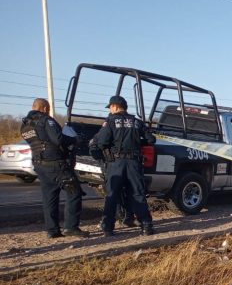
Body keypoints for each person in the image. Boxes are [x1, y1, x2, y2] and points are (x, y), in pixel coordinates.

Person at [19, 98, 88, 239]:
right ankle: (71, 227)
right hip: (56, 164)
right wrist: (74, 140)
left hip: (39, 165)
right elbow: (58, 139)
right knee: (74, 192)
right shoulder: (46, 120)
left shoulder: (25, 125)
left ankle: (52, 230)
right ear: (44, 108)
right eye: (48, 109)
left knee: (49, 197)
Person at [94, 95, 156, 236]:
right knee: (138, 194)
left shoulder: (110, 121)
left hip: (116, 163)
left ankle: (108, 228)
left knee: (112, 195)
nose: (110, 109)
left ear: (115, 106)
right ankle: (146, 226)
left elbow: (102, 142)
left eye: (110, 107)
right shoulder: (137, 122)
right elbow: (151, 139)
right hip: (134, 163)